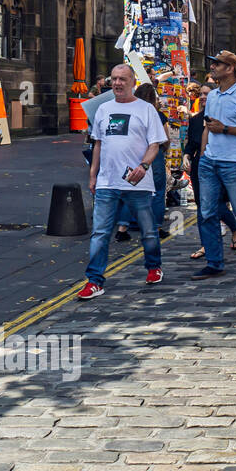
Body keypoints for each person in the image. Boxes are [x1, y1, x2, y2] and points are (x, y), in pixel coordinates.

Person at [78, 63, 166, 299]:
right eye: (114, 79)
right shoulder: (103, 109)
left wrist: (144, 166)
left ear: (133, 82)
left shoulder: (146, 109)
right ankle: (95, 281)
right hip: (108, 182)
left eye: (122, 79)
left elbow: (155, 144)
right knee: (100, 233)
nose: (117, 83)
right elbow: (97, 143)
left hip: (138, 183)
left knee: (148, 231)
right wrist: (93, 175)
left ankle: (153, 267)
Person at [191, 51, 236, 278]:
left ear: (230, 68)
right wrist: (203, 154)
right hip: (209, 162)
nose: (212, 67)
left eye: (217, 64)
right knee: (207, 212)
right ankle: (214, 262)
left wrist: (225, 129)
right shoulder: (212, 96)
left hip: (234, 162)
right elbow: (207, 127)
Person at [184, 83, 236, 260]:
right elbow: (191, 144)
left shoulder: (224, 118)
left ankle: (235, 228)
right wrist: (186, 155)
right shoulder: (194, 120)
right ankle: (207, 244)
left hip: (220, 165)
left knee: (218, 205)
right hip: (200, 168)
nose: (202, 97)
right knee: (203, 208)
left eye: (207, 94)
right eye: (201, 94)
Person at [132, 83, 172, 237]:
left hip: (135, 155)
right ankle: (155, 226)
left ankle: (132, 222)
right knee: (157, 191)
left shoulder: (132, 113)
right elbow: (165, 138)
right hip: (154, 156)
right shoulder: (157, 115)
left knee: (134, 188)